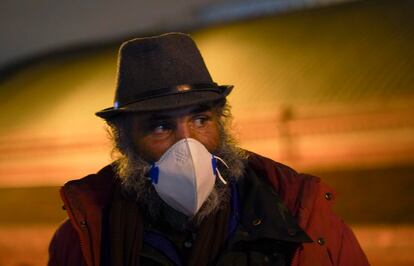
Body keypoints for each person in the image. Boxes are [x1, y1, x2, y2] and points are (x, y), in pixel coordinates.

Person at [48, 32, 369, 266]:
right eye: (160, 127)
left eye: (201, 119)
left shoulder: (300, 216)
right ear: (124, 140)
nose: (188, 145)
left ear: (222, 122)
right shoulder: (83, 239)